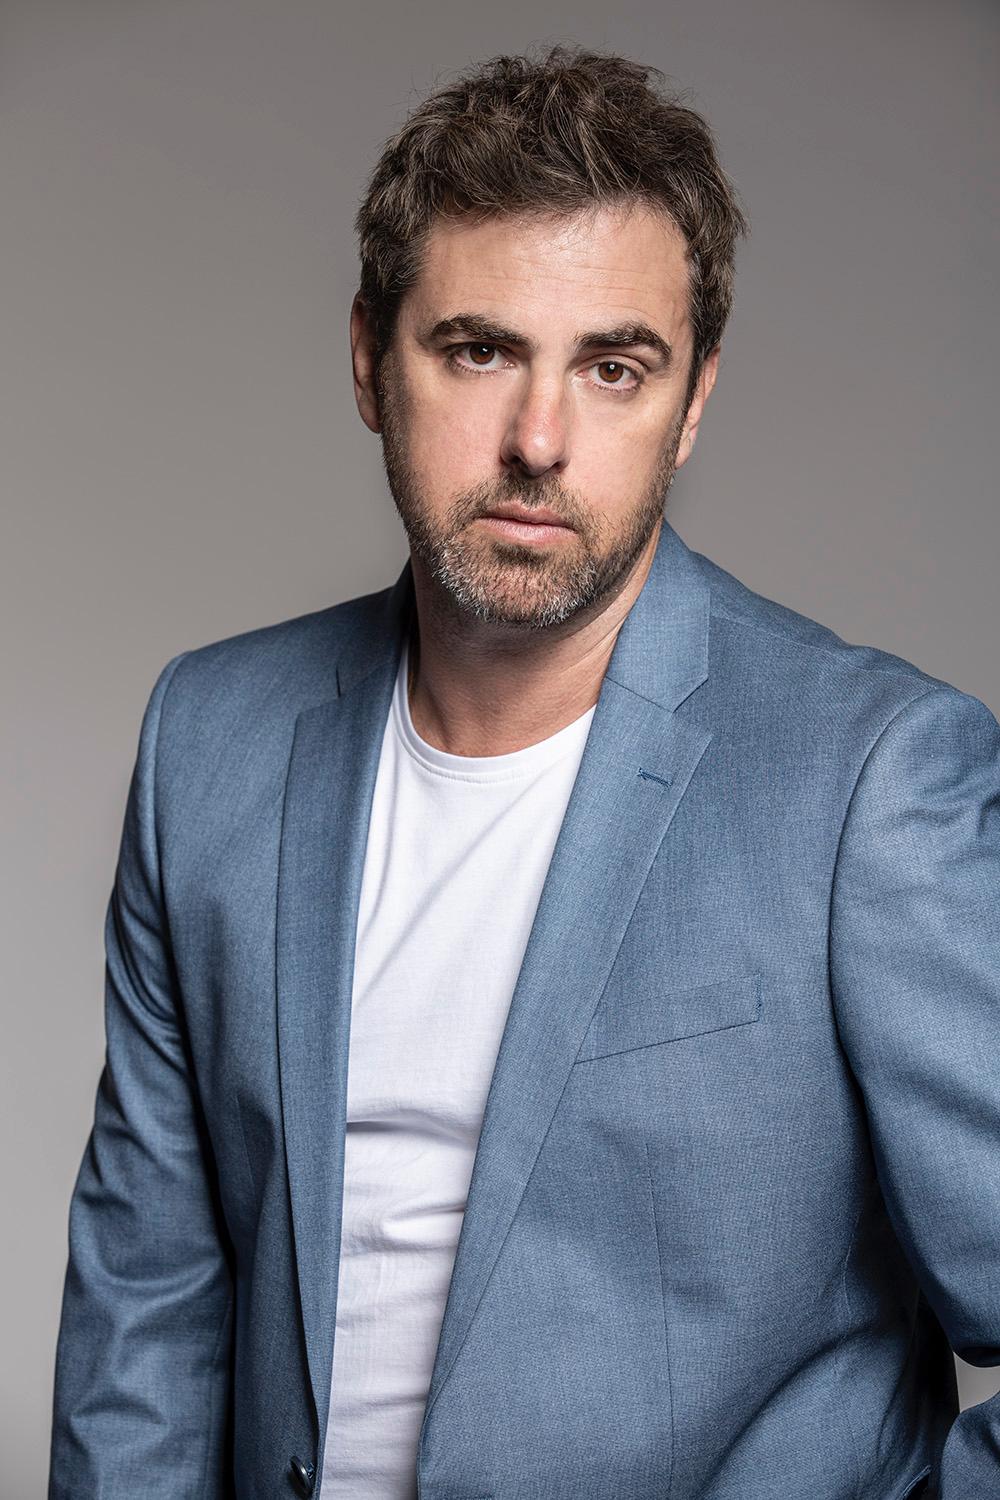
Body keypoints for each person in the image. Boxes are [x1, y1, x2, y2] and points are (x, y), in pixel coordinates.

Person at [48, 44, 999, 1500]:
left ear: (692, 400)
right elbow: (145, 1320)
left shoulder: (872, 780)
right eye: (480, 350)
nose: (539, 442)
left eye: (614, 369)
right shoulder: (211, 744)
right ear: (370, 361)